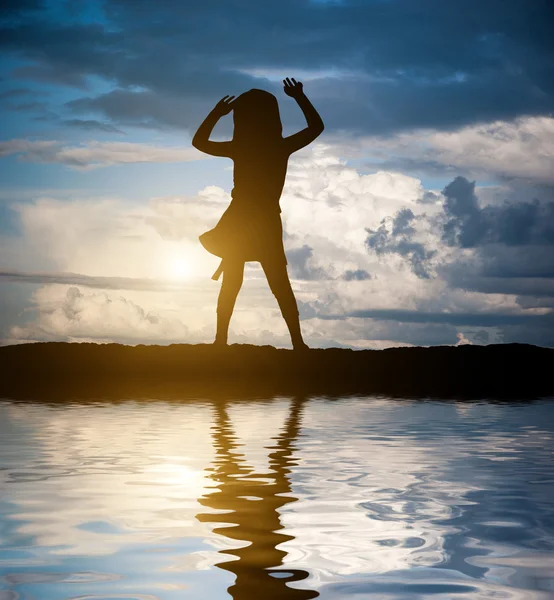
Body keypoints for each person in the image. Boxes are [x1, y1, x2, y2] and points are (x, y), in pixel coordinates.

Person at [192, 77, 324, 350]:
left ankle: (222, 342)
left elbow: (199, 142)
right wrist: (299, 97)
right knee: (275, 283)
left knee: (238, 281)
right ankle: (297, 344)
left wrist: (216, 114)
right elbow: (316, 127)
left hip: (245, 221)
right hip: (257, 221)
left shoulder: (241, 147)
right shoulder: (278, 146)